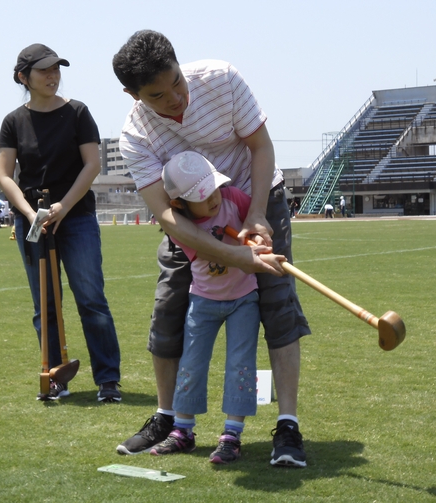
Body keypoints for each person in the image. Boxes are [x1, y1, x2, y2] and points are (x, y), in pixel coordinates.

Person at [112, 30, 311, 467]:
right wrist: (231, 256)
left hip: (254, 196)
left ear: (181, 66)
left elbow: (261, 146)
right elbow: (166, 216)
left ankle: (288, 426)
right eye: (158, 95)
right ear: (132, 94)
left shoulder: (221, 79)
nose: (176, 99)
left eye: (177, 83)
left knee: (278, 305)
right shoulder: (135, 136)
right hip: (189, 221)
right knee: (169, 311)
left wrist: (256, 214)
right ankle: (169, 419)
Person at [0, 43, 122, 402]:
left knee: (91, 298)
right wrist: (28, 212)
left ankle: (108, 380)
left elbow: (92, 164)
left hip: (76, 217)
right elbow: (6, 176)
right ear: (24, 77)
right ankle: (54, 378)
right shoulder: (13, 121)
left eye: (57, 69)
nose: (53, 76)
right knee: (45, 304)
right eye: (44, 71)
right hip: (33, 220)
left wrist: (64, 206)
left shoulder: (78, 112)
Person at [148, 151, 287, 464]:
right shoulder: (181, 228)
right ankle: (183, 430)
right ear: (179, 204)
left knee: (241, 366)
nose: (212, 198)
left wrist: (258, 241)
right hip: (204, 301)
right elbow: (221, 254)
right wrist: (246, 256)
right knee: (191, 364)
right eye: (202, 196)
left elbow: (254, 228)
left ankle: (231, 435)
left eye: (212, 189)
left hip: (244, 300)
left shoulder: (232, 198)